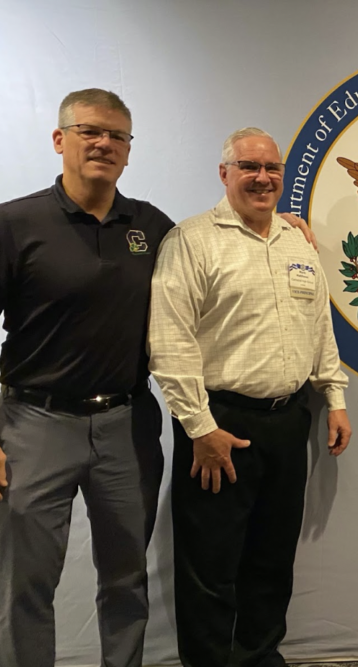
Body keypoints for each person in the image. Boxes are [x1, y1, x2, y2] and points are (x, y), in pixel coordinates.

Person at [148, 127, 351, 667]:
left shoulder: (296, 241)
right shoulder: (191, 240)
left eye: (272, 168)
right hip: (219, 424)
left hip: (289, 421)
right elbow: (169, 343)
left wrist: (335, 397)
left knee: (271, 557)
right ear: (224, 174)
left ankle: (261, 656)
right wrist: (199, 428)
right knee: (209, 563)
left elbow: (319, 326)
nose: (263, 178)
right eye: (248, 166)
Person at [0, 89, 173, 667]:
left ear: (128, 150)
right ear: (59, 140)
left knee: (127, 579)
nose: (103, 143)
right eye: (88, 131)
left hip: (127, 424)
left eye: (116, 136)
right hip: (33, 424)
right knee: (26, 582)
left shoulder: (152, 227)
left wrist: (279, 228)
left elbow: (216, 265)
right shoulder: (15, 223)